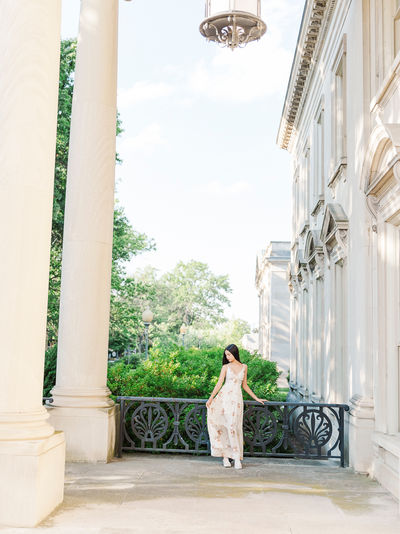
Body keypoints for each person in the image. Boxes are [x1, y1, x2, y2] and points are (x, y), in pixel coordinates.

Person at [206, 344, 267, 469]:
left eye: (229, 354)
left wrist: (256, 398)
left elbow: (245, 385)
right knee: (224, 425)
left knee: (234, 426)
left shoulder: (244, 367)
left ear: (235, 353)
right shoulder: (225, 367)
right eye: (226, 355)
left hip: (237, 401)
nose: (227, 357)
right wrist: (211, 398)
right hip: (224, 399)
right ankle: (225, 457)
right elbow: (219, 383)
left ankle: (237, 457)